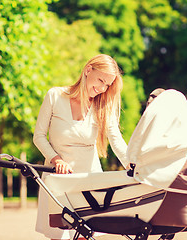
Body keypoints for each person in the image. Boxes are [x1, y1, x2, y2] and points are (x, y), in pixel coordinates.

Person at [33, 54, 128, 240]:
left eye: (107, 85)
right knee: (58, 236)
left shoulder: (103, 106)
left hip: (89, 180)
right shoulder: (55, 95)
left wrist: (133, 165)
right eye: (101, 80)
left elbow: (116, 139)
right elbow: (38, 137)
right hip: (57, 179)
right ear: (87, 70)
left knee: (86, 236)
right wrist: (56, 159)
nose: (102, 88)